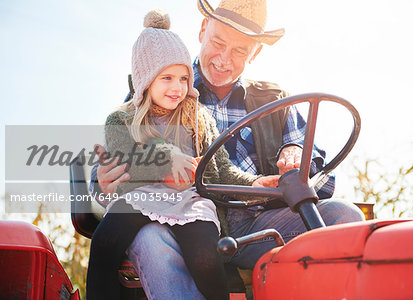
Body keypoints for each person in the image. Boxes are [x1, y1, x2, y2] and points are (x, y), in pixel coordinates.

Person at [90, 0, 365, 298]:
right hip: (178, 220)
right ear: (202, 30)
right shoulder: (159, 85)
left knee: (344, 217)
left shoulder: (275, 100)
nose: (223, 58)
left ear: (255, 52)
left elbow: (321, 180)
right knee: (152, 239)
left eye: (239, 50)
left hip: (257, 223)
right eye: (218, 42)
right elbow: (117, 157)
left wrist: (296, 154)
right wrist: (103, 181)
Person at [86, 9, 280, 300]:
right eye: (166, 78)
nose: (177, 88)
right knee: (105, 240)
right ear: (145, 80)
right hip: (143, 197)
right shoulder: (123, 120)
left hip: (190, 201)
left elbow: (222, 168)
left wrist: (252, 184)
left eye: (183, 79)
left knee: (205, 257)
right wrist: (166, 157)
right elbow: (123, 157)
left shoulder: (198, 117)